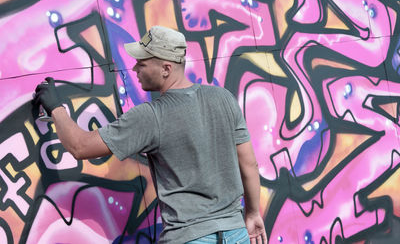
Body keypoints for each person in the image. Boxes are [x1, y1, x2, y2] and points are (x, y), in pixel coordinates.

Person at [33, 26, 267, 244]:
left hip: (189, 237)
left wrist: (56, 108)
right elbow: (248, 163)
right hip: (236, 234)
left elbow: (80, 147)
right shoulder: (223, 98)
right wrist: (253, 213)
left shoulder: (151, 116)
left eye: (142, 63)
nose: (134, 68)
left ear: (166, 68)